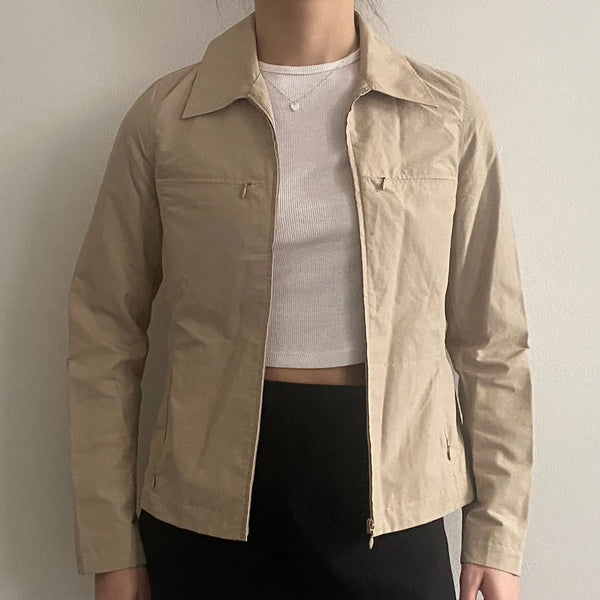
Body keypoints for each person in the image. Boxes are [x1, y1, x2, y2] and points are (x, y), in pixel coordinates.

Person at [66, 1, 533, 598]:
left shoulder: (443, 114)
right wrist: (110, 543)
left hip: (396, 508)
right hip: (205, 511)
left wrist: (497, 533)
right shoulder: (166, 117)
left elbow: (492, 339)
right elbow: (103, 334)